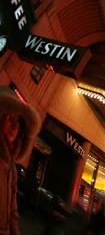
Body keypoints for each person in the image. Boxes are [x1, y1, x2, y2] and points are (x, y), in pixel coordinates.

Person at [0, 86, 41, 235]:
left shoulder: (11, 169)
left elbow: (12, 213)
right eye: (10, 117)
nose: (15, 126)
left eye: (19, 123)